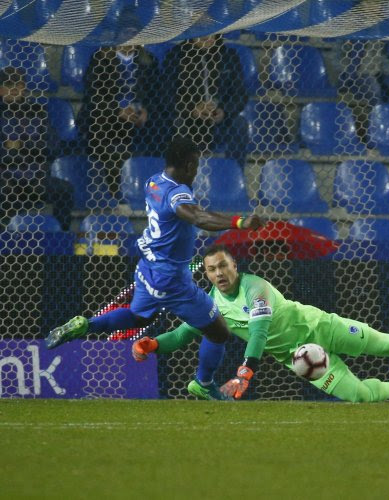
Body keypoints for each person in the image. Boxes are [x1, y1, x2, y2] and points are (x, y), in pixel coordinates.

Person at [45, 137, 265, 400]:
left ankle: (85, 325)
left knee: (140, 317)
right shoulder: (177, 193)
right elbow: (198, 217)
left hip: (147, 266)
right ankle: (203, 383)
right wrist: (240, 221)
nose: (196, 171)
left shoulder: (154, 181)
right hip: (170, 277)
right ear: (189, 163)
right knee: (218, 331)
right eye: (195, 166)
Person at [132, 245, 389, 402]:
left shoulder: (256, 287)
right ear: (206, 273)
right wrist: (154, 345)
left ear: (235, 266)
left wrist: (246, 371)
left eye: (224, 265)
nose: (220, 273)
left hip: (321, 328)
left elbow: (258, 331)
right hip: (301, 360)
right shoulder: (208, 306)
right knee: (360, 397)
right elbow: (182, 333)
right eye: (212, 269)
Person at [78, 44, 165, 199]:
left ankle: (156, 195)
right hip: (107, 122)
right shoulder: (101, 59)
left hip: (139, 123)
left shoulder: (148, 60)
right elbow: (93, 96)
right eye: (126, 33)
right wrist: (117, 110)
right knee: (114, 149)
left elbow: (157, 93)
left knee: (164, 133)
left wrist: (147, 110)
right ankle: (119, 198)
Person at [0, 67, 74, 230]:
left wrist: (21, 146)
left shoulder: (37, 111)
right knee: (5, 191)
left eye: (17, 84)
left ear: (23, 87)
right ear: (0, 88)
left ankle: (60, 236)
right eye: (8, 84)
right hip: (6, 177)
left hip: (36, 176)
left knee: (64, 190)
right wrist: (28, 150)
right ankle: (5, 241)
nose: (13, 89)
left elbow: (53, 145)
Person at [163, 35, 248, 167]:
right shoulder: (176, 56)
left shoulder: (228, 56)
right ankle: (184, 176)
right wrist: (192, 110)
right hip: (189, 121)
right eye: (203, 31)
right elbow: (167, 95)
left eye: (212, 32)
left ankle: (235, 174)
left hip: (221, 123)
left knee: (240, 124)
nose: (207, 36)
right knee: (177, 124)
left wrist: (224, 110)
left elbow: (240, 94)